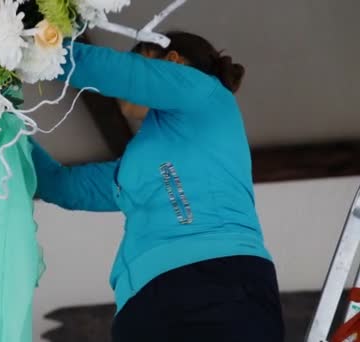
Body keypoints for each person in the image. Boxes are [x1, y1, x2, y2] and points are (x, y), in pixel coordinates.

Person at [31, 31, 285, 341]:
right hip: (145, 301)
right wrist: (0, 125)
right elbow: (61, 187)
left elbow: (114, 72)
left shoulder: (205, 92)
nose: (123, 91)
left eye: (138, 60)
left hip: (216, 277)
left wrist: (25, 43)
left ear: (173, 60)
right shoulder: (138, 166)